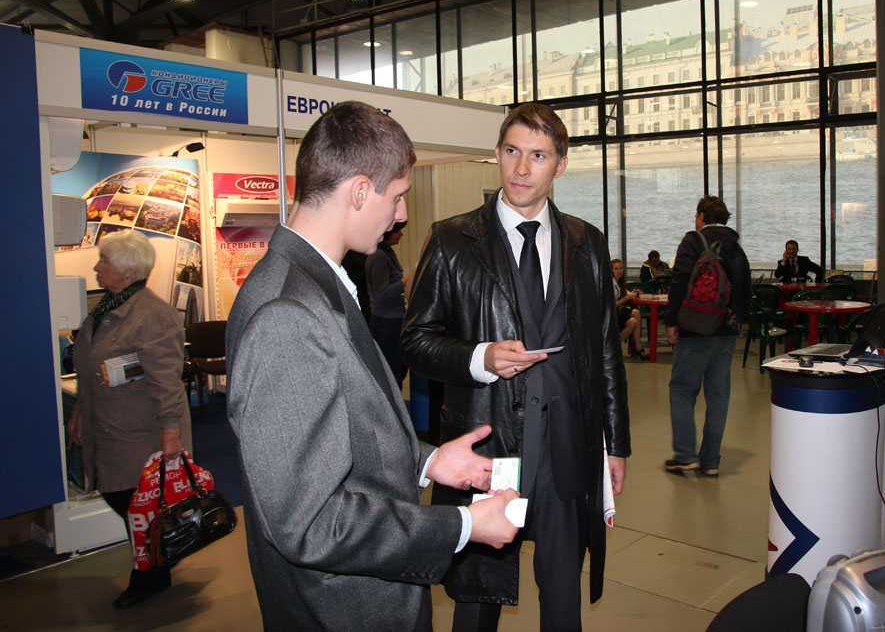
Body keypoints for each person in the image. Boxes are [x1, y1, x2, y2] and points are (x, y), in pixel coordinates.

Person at [225, 101, 519, 631]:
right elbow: (311, 522)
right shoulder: (287, 314)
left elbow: (342, 435)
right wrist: (461, 525)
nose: (401, 214)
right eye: (398, 195)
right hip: (342, 608)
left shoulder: (312, 283)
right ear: (360, 191)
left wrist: (427, 461)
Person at [402, 102, 630, 631]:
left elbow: (605, 352)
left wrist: (615, 443)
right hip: (489, 451)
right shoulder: (453, 240)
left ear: (560, 164)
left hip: (567, 450)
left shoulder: (587, 243)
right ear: (497, 154)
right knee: (478, 599)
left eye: (538, 156)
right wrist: (478, 357)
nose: (522, 168)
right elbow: (414, 341)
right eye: (512, 151)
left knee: (563, 594)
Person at [66, 230, 190, 609]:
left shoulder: (152, 314)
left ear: (128, 270)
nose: (96, 267)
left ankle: (150, 576)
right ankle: (158, 561)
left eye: (104, 261)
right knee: (127, 497)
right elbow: (89, 367)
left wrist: (171, 432)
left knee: (137, 502)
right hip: (110, 422)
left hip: (142, 427)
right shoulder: (107, 309)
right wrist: (80, 411)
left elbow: (166, 379)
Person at [664, 196, 751, 477]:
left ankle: (685, 455)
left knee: (682, 390)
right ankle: (711, 460)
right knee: (718, 396)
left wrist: (672, 321)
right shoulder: (736, 247)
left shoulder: (693, 241)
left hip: (695, 328)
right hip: (726, 331)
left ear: (701, 216)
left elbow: (679, 282)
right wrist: (735, 322)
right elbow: (745, 289)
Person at [365, 220, 408, 384]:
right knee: (392, 373)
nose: (401, 234)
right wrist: (406, 281)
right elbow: (380, 295)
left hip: (394, 320)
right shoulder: (379, 256)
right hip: (386, 323)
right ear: (388, 232)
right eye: (397, 231)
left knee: (399, 369)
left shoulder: (387, 252)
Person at [611, 258, 647, 359]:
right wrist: (626, 298)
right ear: (611, 270)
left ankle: (616, 347)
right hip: (610, 314)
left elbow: (626, 293)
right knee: (636, 313)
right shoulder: (610, 284)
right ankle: (638, 346)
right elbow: (611, 305)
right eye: (616, 269)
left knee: (633, 321)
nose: (619, 271)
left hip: (617, 312)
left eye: (621, 268)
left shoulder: (619, 283)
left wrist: (634, 293)